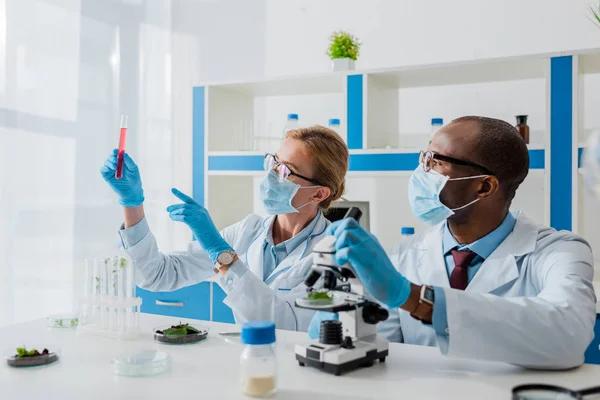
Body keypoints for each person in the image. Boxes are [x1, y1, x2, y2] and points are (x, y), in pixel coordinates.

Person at [310, 116, 596, 369]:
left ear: (484, 186)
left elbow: (567, 335)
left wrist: (414, 298)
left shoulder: (559, 251)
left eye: (437, 161)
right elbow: (385, 354)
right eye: (425, 157)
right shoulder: (405, 255)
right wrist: (340, 318)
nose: (423, 170)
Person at [100, 125, 349, 331]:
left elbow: (285, 324)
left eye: (286, 171)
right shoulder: (247, 231)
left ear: (318, 193)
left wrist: (220, 252)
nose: (272, 175)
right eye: (274, 162)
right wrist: (132, 204)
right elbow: (158, 275)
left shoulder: (334, 254)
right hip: (250, 365)